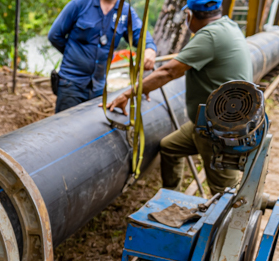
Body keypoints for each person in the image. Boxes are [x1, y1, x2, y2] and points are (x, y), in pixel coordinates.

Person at [107, 0, 252, 194]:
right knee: (169, 147)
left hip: (220, 131)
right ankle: (171, 197)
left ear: (190, 15)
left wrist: (128, 93)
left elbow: (169, 71)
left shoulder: (209, 36)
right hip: (204, 123)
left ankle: (229, 221)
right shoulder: (228, 26)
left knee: (224, 191)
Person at [47, 0, 157, 112]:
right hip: (71, 83)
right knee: (66, 125)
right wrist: (73, 53)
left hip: (98, 87)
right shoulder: (80, 4)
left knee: (93, 126)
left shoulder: (125, 11)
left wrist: (149, 48)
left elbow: (139, 33)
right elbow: (54, 35)